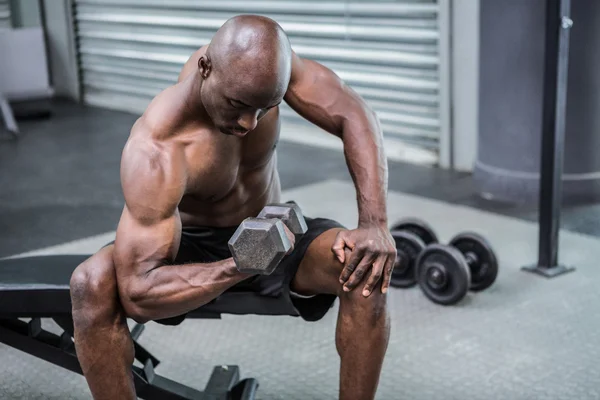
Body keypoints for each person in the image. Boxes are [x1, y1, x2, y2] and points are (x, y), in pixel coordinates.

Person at [69, 14, 396, 400]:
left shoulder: (268, 70)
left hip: (276, 231)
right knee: (91, 283)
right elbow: (139, 294)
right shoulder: (158, 147)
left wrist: (374, 222)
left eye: (264, 108)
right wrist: (238, 264)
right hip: (184, 247)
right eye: (237, 104)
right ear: (206, 68)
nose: (248, 123)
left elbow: (355, 113)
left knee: (363, 270)